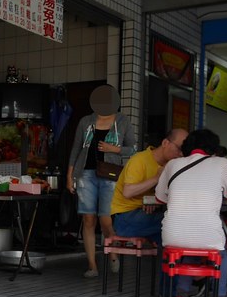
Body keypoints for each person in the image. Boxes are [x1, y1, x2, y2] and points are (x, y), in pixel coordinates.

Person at [154, 128, 227, 297]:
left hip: (173, 234)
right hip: (207, 233)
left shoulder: (173, 164)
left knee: (190, 249)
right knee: (220, 254)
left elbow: (160, 198)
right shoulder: (221, 163)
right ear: (213, 147)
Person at [66, 84, 136, 278]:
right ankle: (92, 266)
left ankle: (113, 253)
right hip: (85, 174)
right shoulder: (85, 121)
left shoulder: (122, 120)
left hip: (110, 175)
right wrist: (69, 176)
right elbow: (75, 150)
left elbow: (134, 148)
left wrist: (114, 149)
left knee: (106, 220)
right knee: (88, 219)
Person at [109, 128, 187, 246]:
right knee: (175, 222)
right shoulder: (139, 160)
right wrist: (157, 178)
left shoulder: (170, 166)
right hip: (125, 218)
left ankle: (172, 263)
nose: (181, 154)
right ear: (165, 143)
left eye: (185, 151)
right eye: (179, 149)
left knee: (173, 237)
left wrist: (152, 202)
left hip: (145, 215)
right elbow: (127, 192)